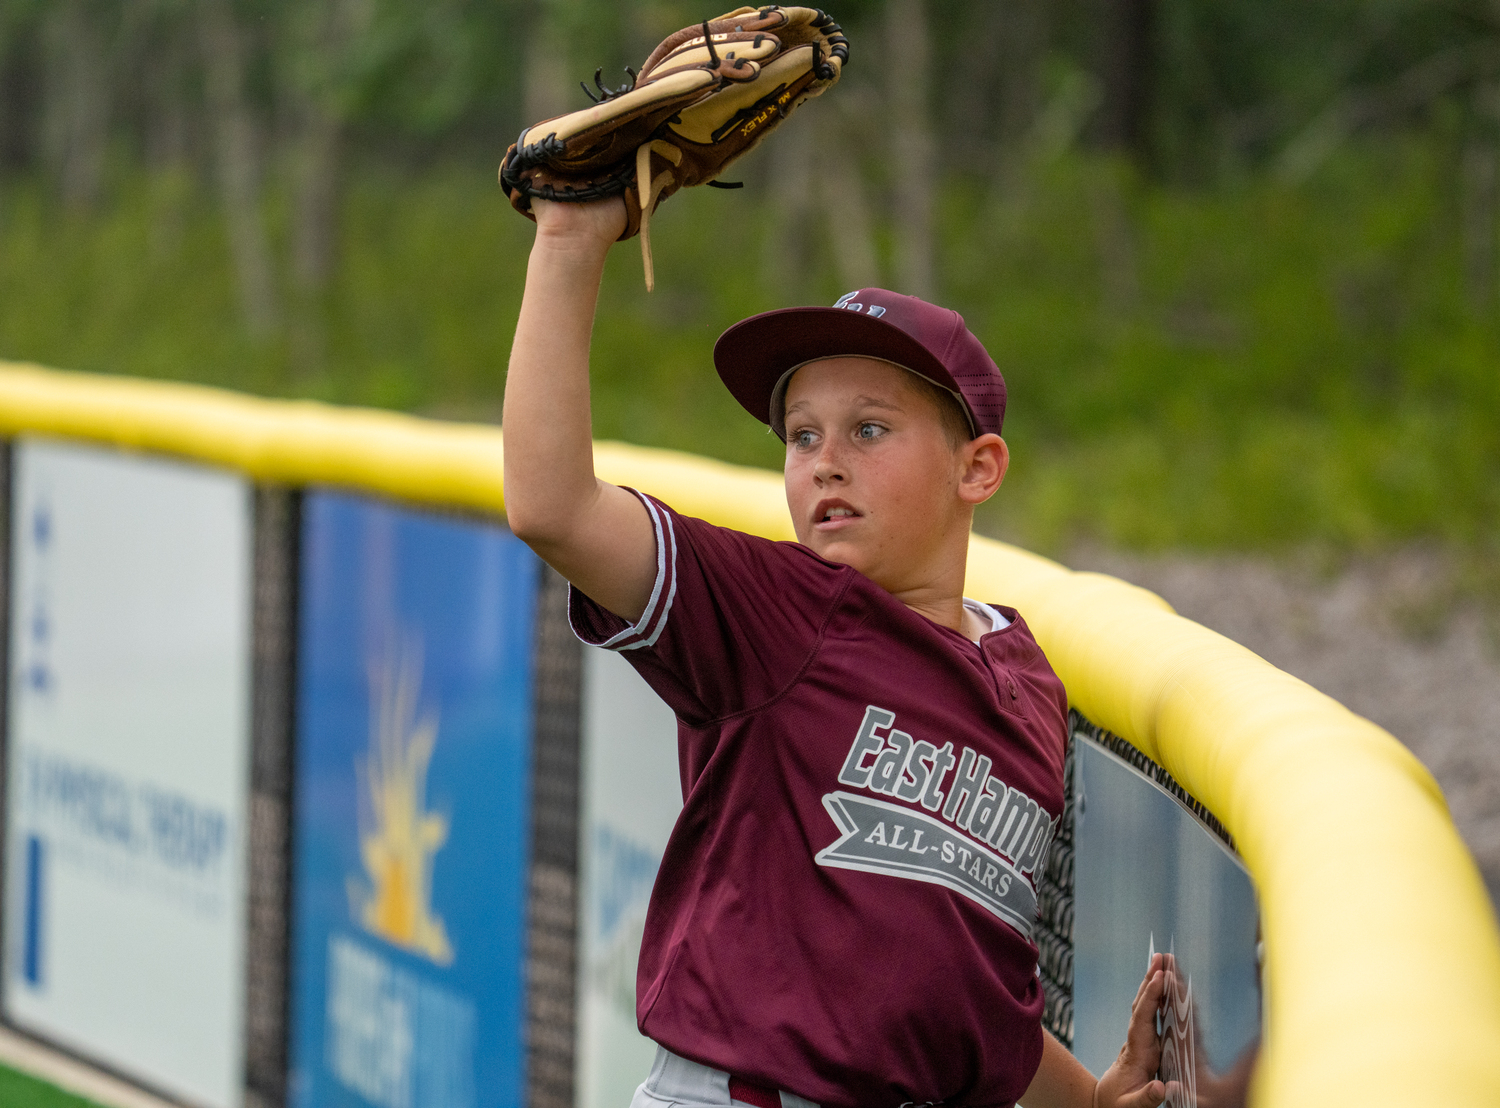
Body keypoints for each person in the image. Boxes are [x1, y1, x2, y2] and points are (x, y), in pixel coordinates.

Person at [502, 194, 1169, 1108]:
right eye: (802, 435)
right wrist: (571, 239)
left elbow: (968, 995)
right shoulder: (777, 612)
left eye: (868, 429)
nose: (824, 461)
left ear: (977, 468)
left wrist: (1091, 1101)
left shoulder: (1026, 678)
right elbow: (554, 508)